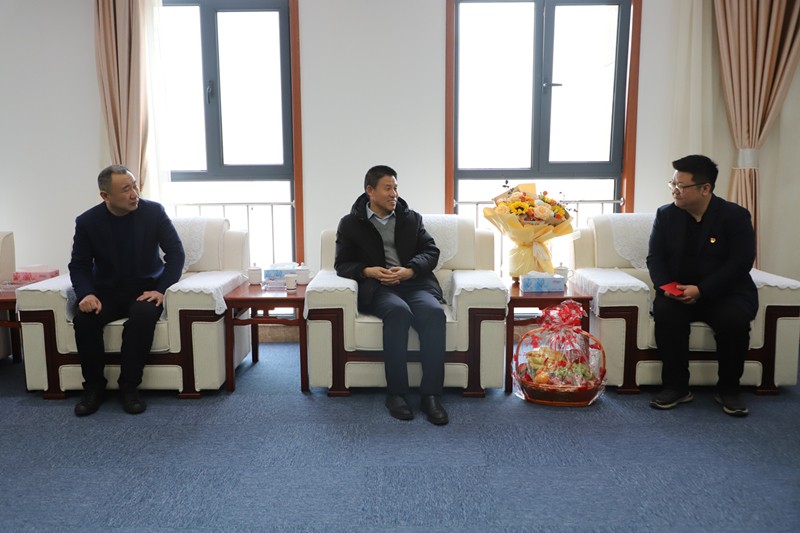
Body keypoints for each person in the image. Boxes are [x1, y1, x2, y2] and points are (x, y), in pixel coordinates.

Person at [335, 165, 449, 425]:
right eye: (387, 188)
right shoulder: (350, 224)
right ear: (370, 191)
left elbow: (431, 252)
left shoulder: (411, 218)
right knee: (398, 313)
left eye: (396, 188)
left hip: (413, 284)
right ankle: (396, 394)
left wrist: (410, 270)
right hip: (379, 288)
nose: (394, 194)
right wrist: (368, 271)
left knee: (434, 313)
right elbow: (341, 264)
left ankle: (430, 395)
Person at [69, 165, 185, 416]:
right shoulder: (87, 222)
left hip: (145, 290)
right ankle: (93, 388)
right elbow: (79, 265)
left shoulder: (153, 212)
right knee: (84, 319)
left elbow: (176, 254)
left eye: (134, 186)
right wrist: (86, 294)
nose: (134, 194)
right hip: (106, 292)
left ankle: (129, 387)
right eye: (126, 189)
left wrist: (162, 290)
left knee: (142, 316)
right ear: (105, 196)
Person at [647, 154, 757, 417]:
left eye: (681, 186)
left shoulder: (735, 216)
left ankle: (729, 390)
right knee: (665, 311)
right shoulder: (666, 215)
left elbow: (741, 263)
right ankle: (676, 387)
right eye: (672, 184)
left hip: (725, 293)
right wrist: (668, 287)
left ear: (705, 189)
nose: (674, 190)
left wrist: (703, 290)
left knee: (734, 319)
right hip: (679, 292)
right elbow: (655, 258)